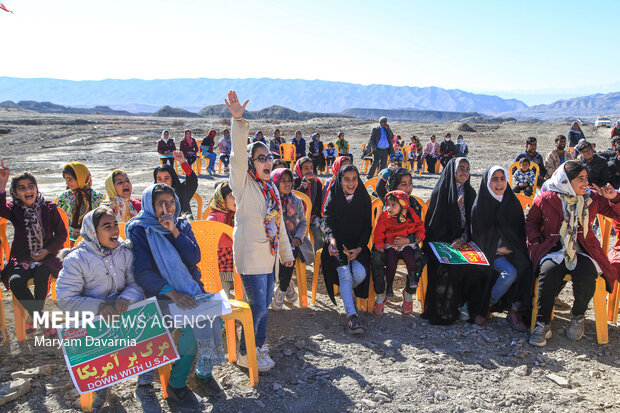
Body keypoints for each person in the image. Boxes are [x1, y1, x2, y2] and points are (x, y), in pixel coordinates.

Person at [128, 184, 226, 408]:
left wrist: (174, 231)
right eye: (160, 203)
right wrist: (172, 293)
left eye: (170, 202)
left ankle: (202, 374)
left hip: (191, 289)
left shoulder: (181, 225)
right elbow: (142, 272)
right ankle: (177, 385)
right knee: (191, 331)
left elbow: (194, 258)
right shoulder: (141, 230)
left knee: (214, 320)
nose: (167, 208)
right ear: (150, 206)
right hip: (161, 295)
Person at [56, 207, 159, 412]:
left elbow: (136, 283)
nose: (114, 230)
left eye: (114, 225)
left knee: (148, 318)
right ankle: (99, 384)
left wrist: (126, 299)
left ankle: (145, 383)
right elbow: (66, 299)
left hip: (122, 311)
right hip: (93, 316)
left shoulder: (125, 252)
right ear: (93, 232)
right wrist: (100, 307)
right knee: (84, 333)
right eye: (106, 227)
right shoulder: (76, 260)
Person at [226, 91, 294, 371]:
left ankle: (259, 346)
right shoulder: (243, 186)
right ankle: (246, 351)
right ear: (252, 164)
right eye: (260, 158)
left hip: (268, 256)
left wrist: (286, 254)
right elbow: (236, 159)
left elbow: (279, 227)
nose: (267, 162)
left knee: (264, 303)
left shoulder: (271, 190)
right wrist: (239, 121)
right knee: (256, 306)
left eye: (269, 158)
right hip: (250, 255)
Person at [526, 161, 620, 347]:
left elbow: (616, 214)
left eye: (586, 178)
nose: (586, 183)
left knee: (586, 274)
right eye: (580, 179)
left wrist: (615, 198)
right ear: (566, 181)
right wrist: (536, 242)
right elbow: (531, 222)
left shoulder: (591, 198)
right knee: (548, 272)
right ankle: (542, 323)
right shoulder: (547, 198)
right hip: (554, 247)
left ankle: (577, 316)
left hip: (583, 247)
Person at [422, 158, 493, 325]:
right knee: (449, 266)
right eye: (461, 168)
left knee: (479, 265)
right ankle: (445, 310)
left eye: (467, 169)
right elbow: (434, 226)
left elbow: (472, 224)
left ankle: (468, 307)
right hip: (441, 241)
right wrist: (455, 208)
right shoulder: (441, 192)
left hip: (463, 241)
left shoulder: (470, 193)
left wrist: (462, 239)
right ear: (453, 171)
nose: (465, 172)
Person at [0, 164, 67, 339]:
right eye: (22, 188)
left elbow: (61, 234)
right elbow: (0, 209)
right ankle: (42, 319)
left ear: (37, 188)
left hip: (47, 257)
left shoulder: (49, 208)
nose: (28, 190)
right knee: (15, 282)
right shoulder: (15, 210)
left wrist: (47, 250)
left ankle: (33, 316)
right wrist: (2, 184)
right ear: (15, 194)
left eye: (31, 186)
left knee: (43, 274)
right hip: (23, 258)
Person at [471, 166, 531, 332]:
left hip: (511, 250)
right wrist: (496, 251)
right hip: (488, 253)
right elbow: (478, 236)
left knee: (526, 267)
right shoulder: (481, 205)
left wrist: (510, 248)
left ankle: (515, 310)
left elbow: (519, 232)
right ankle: (486, 304)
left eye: (502, 179)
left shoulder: (511, 202)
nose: (499, 183)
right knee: (509, 273)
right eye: (494, 179)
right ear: (487, 182)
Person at [322, 164, 372, 334]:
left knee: (359, 274)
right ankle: (352, 316)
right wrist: (332, 240)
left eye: (354, 179)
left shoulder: (364, 197)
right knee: (344, 273)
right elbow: (328, 221)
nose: (351, 183)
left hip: (359, 246)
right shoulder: (334, 194)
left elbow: (367, 227)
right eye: (346, 179)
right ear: (340, 180)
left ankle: (347, 293)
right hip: (337, 244)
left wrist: (359, 248)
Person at [371, 190, 425, 317]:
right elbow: (378, 233)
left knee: (417, 258)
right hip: (390, 246)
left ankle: (409, 294)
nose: (389, 208)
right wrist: (380, 246)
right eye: (387, 205)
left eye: (393, 205)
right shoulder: (385, 216)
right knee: (380, 260)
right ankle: (381, 293)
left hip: (407, 245)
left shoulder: (410, 213)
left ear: (403, 203)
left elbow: (419, 226)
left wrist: (416, 238)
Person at [269, 168, 314, 310]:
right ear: (275, 182)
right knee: (274, 255)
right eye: (283, 181)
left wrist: (298, 237)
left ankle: (281, 290)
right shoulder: (270, 202)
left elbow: (302, 223)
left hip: (294, 240)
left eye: (289, 181)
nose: (287, 184)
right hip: (275, 240)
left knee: (290, 254)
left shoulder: (297, 201)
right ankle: (287, 285)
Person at [57, 162, 104, 242]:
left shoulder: (97, 197)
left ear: (80, 178)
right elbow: (59, 220)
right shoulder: (64, 197)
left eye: (70, 179)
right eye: (66, 180)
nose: (67, 183)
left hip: (93, 240)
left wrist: (87, 230)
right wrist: (71, 231)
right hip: (69, 240)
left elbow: (102, 220)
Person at [205, 181, 236, 298]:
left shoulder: (237, 215)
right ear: (222, 199)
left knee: (243, 289)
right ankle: (226, 314)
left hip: (237, 258)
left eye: (238, 195)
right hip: (221, 260)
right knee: (224, 291)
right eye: (232, 196)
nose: (236, 199)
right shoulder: (214, 217)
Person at [153, 151, 198, 219]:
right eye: (159, 179)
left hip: (183, 226)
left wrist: (183, 162)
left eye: (167, 178)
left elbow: (192, 180)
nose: (163, 182)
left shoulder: (181, 191)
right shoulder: (152, 194)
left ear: (172, 178)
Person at [294, 157, 324, 250]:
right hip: (297, 215)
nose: (309, 170)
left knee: (317, 228)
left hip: (312, 215)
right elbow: (297, 198)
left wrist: (313, 214)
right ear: (299, 169)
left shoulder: (317, 182)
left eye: (311, 167)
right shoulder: (295, 182)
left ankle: (318, 257)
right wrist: (304, 184)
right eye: (305, 168)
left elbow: (318, 201)